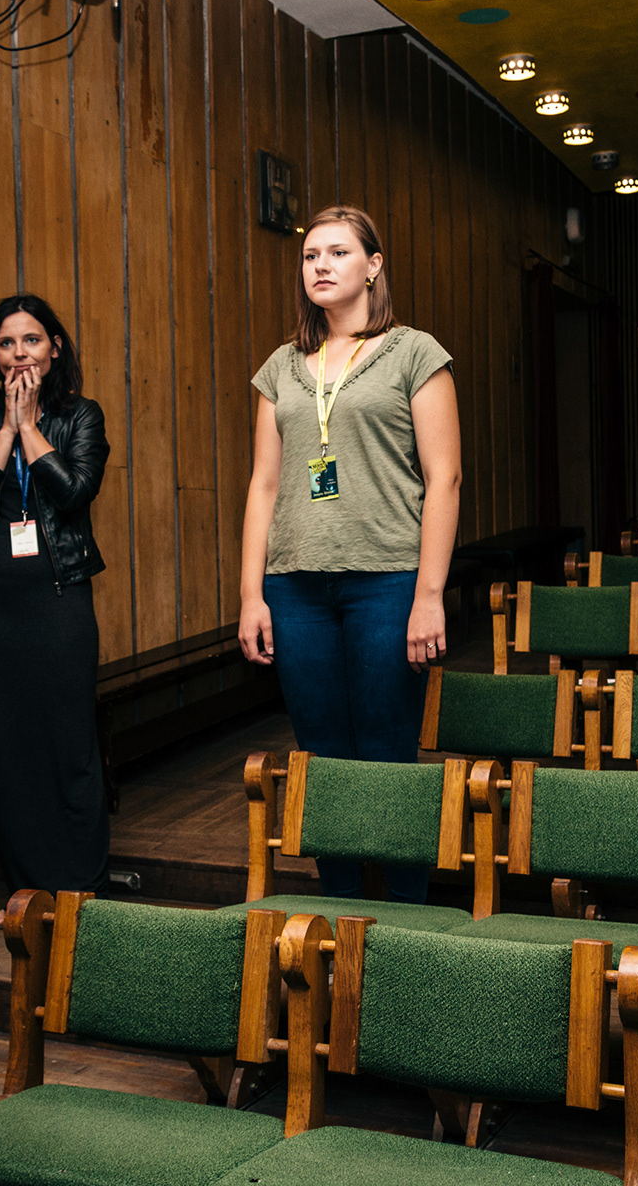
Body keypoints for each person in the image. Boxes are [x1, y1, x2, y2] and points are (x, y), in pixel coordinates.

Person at [238, 204, 461, 904]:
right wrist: (251, 595)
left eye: (338, 252)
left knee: (387, 755)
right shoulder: (281, 367)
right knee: (322, 760)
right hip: (295, 587)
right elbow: (264, 484)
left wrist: (429, 595)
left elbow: (445, 479)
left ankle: (405, 917)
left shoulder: (415, 352)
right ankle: (337, 910)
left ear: (373, 265)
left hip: (388, 581)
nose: (321, 265)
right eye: (311, 255)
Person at [0, 294, 111, 921]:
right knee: (6, 746)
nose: (19, 354)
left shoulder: (80, 415)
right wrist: (6, 429)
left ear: (54, 348)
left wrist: (31, 426)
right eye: (7, 343)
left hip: (59, 600)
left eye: (32, 340)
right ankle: (27, 891)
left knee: (69, 741)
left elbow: (75, 491)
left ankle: (80, 890)